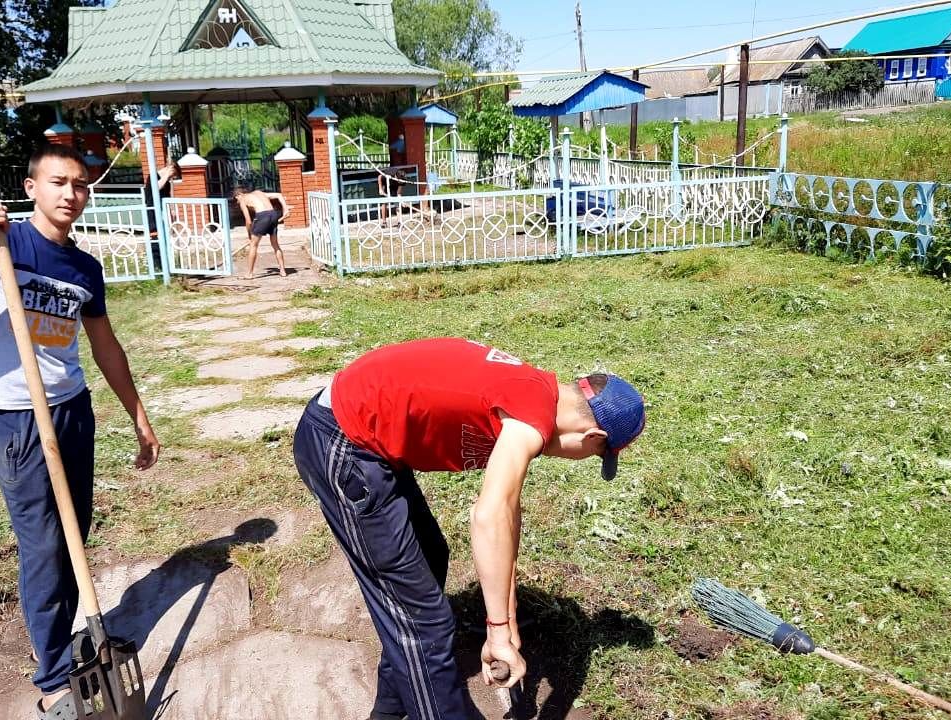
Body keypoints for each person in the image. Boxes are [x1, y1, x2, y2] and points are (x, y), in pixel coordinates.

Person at [0, 144, 161, 720]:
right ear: (32, 188)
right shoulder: (6, 247)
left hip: (72, 408)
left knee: (75, 530)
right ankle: (55, 677)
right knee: (45, 544)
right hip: (16, 416)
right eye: (58, 182)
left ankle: (72, 639)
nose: (70, 195)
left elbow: (104, 345)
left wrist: (138, 414)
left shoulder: (84, 268)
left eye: (80, 185)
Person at [292, 338, 646, 720]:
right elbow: (489, 517)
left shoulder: (537, 393)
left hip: (364, 434)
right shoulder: (530, 422)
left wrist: (506, 623)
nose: (579, 459)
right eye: (594, 457)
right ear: (594, 439)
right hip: (342, 441)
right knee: (424, 623)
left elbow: (509, 515)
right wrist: (495, 631)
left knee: (430, 558)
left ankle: (389, 712)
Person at [233, 185, 292, 279]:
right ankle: (282, 271)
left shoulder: (243, 199)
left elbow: (248, 221)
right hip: (273, 214)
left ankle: (249, 274)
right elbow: (279, 195)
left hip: (262, 216)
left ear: (239, 194)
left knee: (253, 246)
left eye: (236, 199)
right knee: (275, 244)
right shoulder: (259, 192)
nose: (237, 201)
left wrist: (249, 235)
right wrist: (285, 209)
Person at [146, 159, 179, 274]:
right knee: (155, 240)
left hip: (162, 214)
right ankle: (158, 269)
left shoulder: (167, 183)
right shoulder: (153, 176)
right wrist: (167, 175)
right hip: (152, 213)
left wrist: (172, 210)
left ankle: (166, 268)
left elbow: (167, 197)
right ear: (169, 169)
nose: (172, 178)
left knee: (164, 241)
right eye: (173, 175)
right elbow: (156, 189)